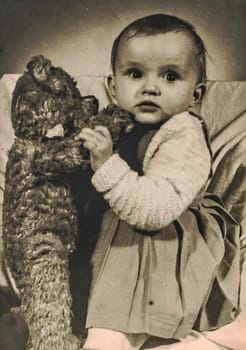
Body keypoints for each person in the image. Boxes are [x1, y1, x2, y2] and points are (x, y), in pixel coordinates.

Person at [75, 14, 241, 350]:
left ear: (196, 95)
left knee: (116, 327)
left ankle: (135, 335)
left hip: (164, 243)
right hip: (122, 239)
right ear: (112, 86)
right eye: (135, 74)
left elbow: (155, 210)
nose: (150, 87)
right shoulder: (119, 125)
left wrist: (105, 164)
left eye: (170, 76)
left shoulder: (184, 136)